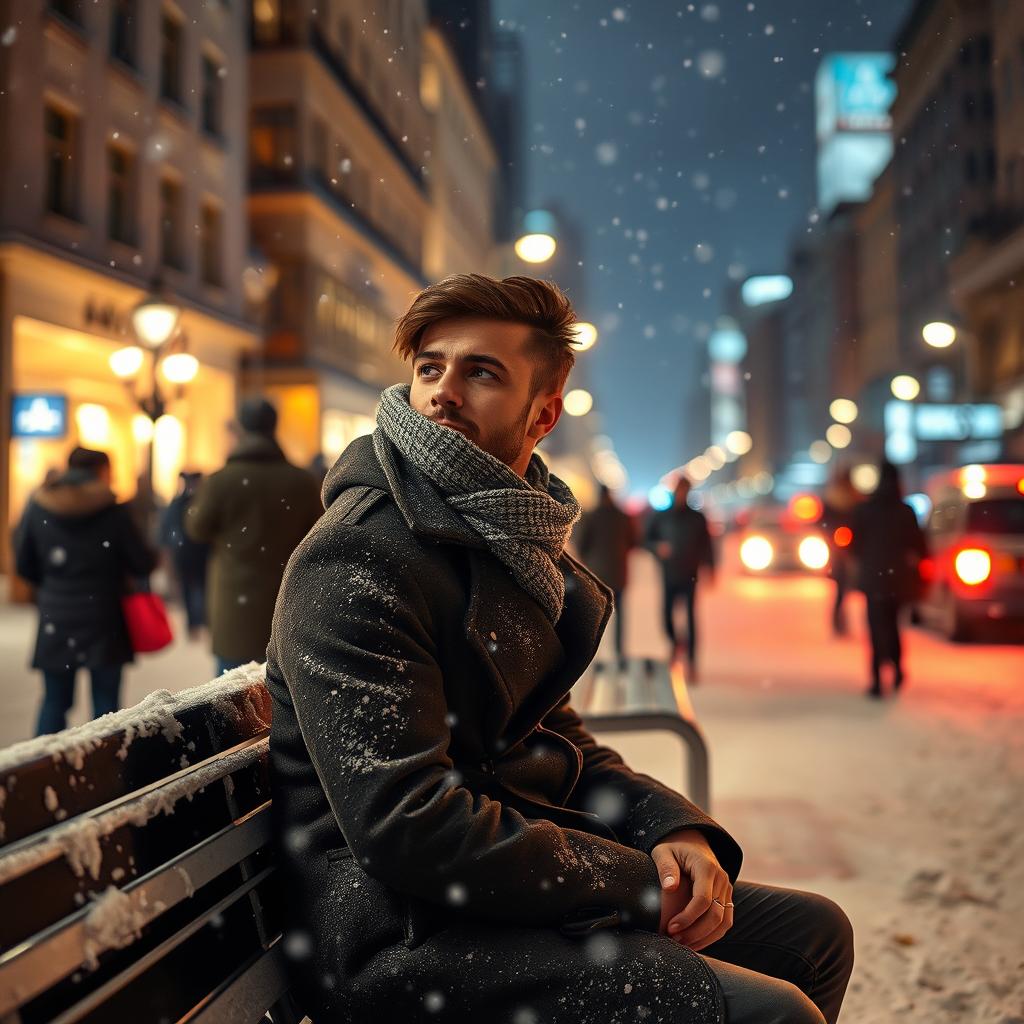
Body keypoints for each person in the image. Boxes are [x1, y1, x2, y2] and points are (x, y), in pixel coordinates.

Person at [266, 274, 853, 1024]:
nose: (443, 391)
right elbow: (406, 826)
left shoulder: (504, 543)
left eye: (481, 372)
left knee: (812, 936)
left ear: (542, 415)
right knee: (774, 1013)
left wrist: (673, 830)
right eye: (430, 366)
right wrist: (635, 881)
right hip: (399, 938)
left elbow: (556, 741)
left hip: (483, 902)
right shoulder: (361, 557)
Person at [13, 448, 157, 735]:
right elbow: (142, 562)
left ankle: (43, 771)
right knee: (106, 708)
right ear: (101, 471)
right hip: (103, 616)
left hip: (57, 615)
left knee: (54, 702)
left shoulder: (40, 506)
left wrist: (54, 585)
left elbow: (24, 563)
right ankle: (106, 772)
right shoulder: (113, 511)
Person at [185, 397, 322, 676]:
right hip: (285, 602)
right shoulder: (301, 481)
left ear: (241, 429)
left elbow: (196, 528)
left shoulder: (221, 480)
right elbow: (320, 533)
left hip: (234, 603)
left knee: (230, 698)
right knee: (281, 697)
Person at [851, 461, 928, 698]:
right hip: (897, 580)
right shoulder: (905, 511)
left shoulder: (864, 510)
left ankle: (876, 679)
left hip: (874, 578)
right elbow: (919, 545)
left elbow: (854, 545)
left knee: (876, 628)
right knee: (893, 626)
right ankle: (896, 667)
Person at [644, 475, 716, 677]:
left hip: (690, 575)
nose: (682, 494)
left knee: (691, 619)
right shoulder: (662, 516)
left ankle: (692, 663)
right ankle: (676, 643)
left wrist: (711, 568)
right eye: (679, 490)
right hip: (668, 574)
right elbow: (646, 540)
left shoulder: (697, 518)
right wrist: (657, 547)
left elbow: (707, 545)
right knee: (666, 616)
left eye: (685, 491)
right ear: (674, 491)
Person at [575, 484, 636, 668]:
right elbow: (634, 541)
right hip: (619, 573)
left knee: (597, 615)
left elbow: (581, 544)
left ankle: (595, 654)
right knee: (621, 614)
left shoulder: (591, 516)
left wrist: (589, 562)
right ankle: (619, 652)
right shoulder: (623, 517)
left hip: (597, 576)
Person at [159, 471, 209, 641]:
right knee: (193, 589)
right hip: (192, 554)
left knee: (196, 589)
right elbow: (167, 531)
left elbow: (166, 531)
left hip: (194, 554)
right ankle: (196, 624)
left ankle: (198, 623)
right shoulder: (190, 502)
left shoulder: (181, 503)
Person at [822, 466, 862, 636]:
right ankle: (840, 621)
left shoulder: (832, 500)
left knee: (841, 588)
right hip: (847, 550)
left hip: (840, 549)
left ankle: (839, 621)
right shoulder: (855, 500)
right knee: (843, 587)